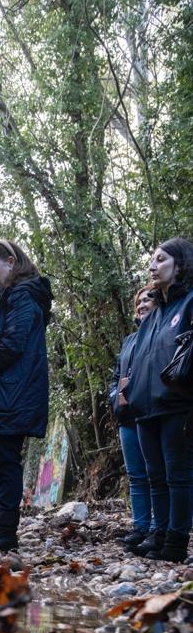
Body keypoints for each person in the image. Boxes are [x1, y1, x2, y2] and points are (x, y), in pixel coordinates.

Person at [0, 238, 52, 554]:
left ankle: (4, 534)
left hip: (13, 396)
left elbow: (13, 345)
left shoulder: (24, 296)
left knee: (5, 464)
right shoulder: (8, 297)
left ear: (11, 263)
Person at [123, 237, 193, 562]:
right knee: (155, 477)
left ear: (179, 266)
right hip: (145, 408)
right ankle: (160, 533)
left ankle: (176, 542)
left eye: (160, 260)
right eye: (151, 260)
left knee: (178, 475)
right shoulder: (151, 316)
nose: (152, 266)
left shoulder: (189, 302)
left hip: (178, 403)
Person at [109, 286, 156, 549]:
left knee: (158, 473)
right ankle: (141, 527)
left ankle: (163, 528)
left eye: (148, 298)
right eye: (138, 301)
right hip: (127, 417)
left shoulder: (167, 334)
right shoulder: (129, 341)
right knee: (136, 475)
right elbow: (115, 378)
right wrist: (117, 397)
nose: (142, 304)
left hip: (153, 413)